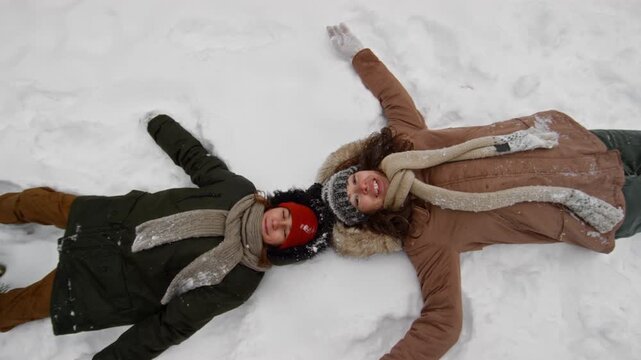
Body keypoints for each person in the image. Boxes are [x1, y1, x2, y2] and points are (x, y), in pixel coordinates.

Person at [320, 24, 641, 360]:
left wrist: (360, 55)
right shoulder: (423, 234)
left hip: (575, 147)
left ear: (361, 166)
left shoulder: (406, 141)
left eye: (355, 180)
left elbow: (392, 95)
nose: (364, 187)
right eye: (358, 200)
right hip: (592, 208)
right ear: (370, 216)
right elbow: (443, 323)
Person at [0, 114, 334, 360]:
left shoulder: (240, 280)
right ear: (281, 204)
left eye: (286, 234)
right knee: (34, 202)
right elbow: (198, 161)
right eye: (286, 215)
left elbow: (170, 325)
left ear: (284, 249)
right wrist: (160, 124)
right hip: (109, 221)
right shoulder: (237, 191)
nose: (278, 224)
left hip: (103, 285)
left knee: (20, 307)